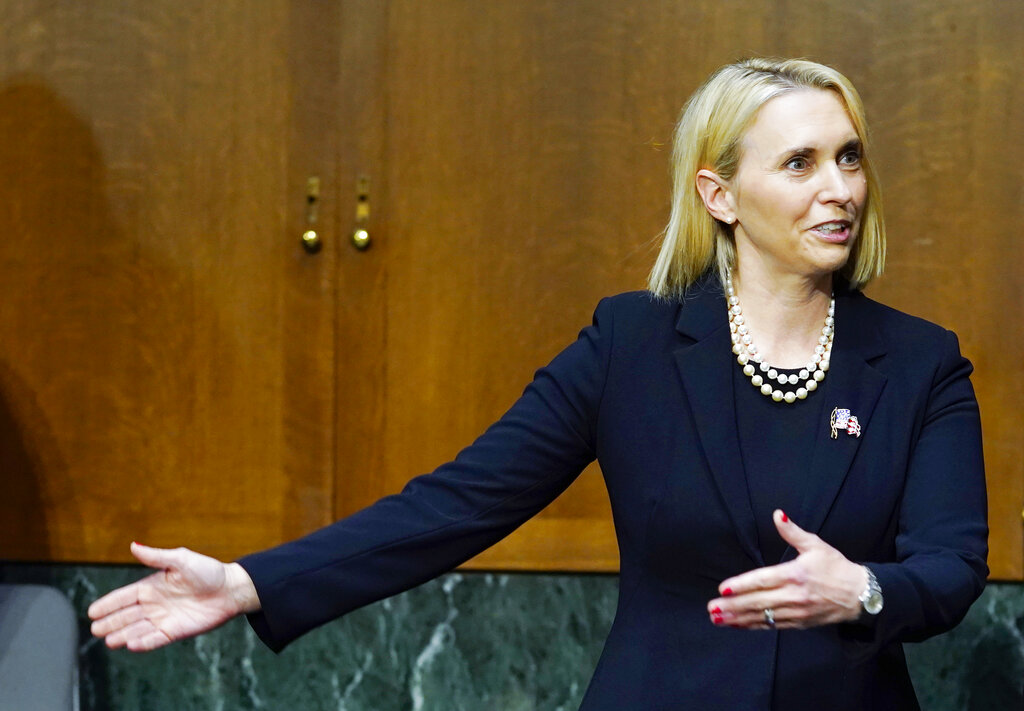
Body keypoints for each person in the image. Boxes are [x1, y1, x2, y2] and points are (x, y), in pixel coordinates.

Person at [89, 58, 988, 710]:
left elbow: (951, 566)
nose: (838, 189)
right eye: (800, 164)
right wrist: (249, 581)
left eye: (850, 157)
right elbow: (456, 504)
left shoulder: (919, 362)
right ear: (718, 194)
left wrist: (864, 590)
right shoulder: (629, 345)